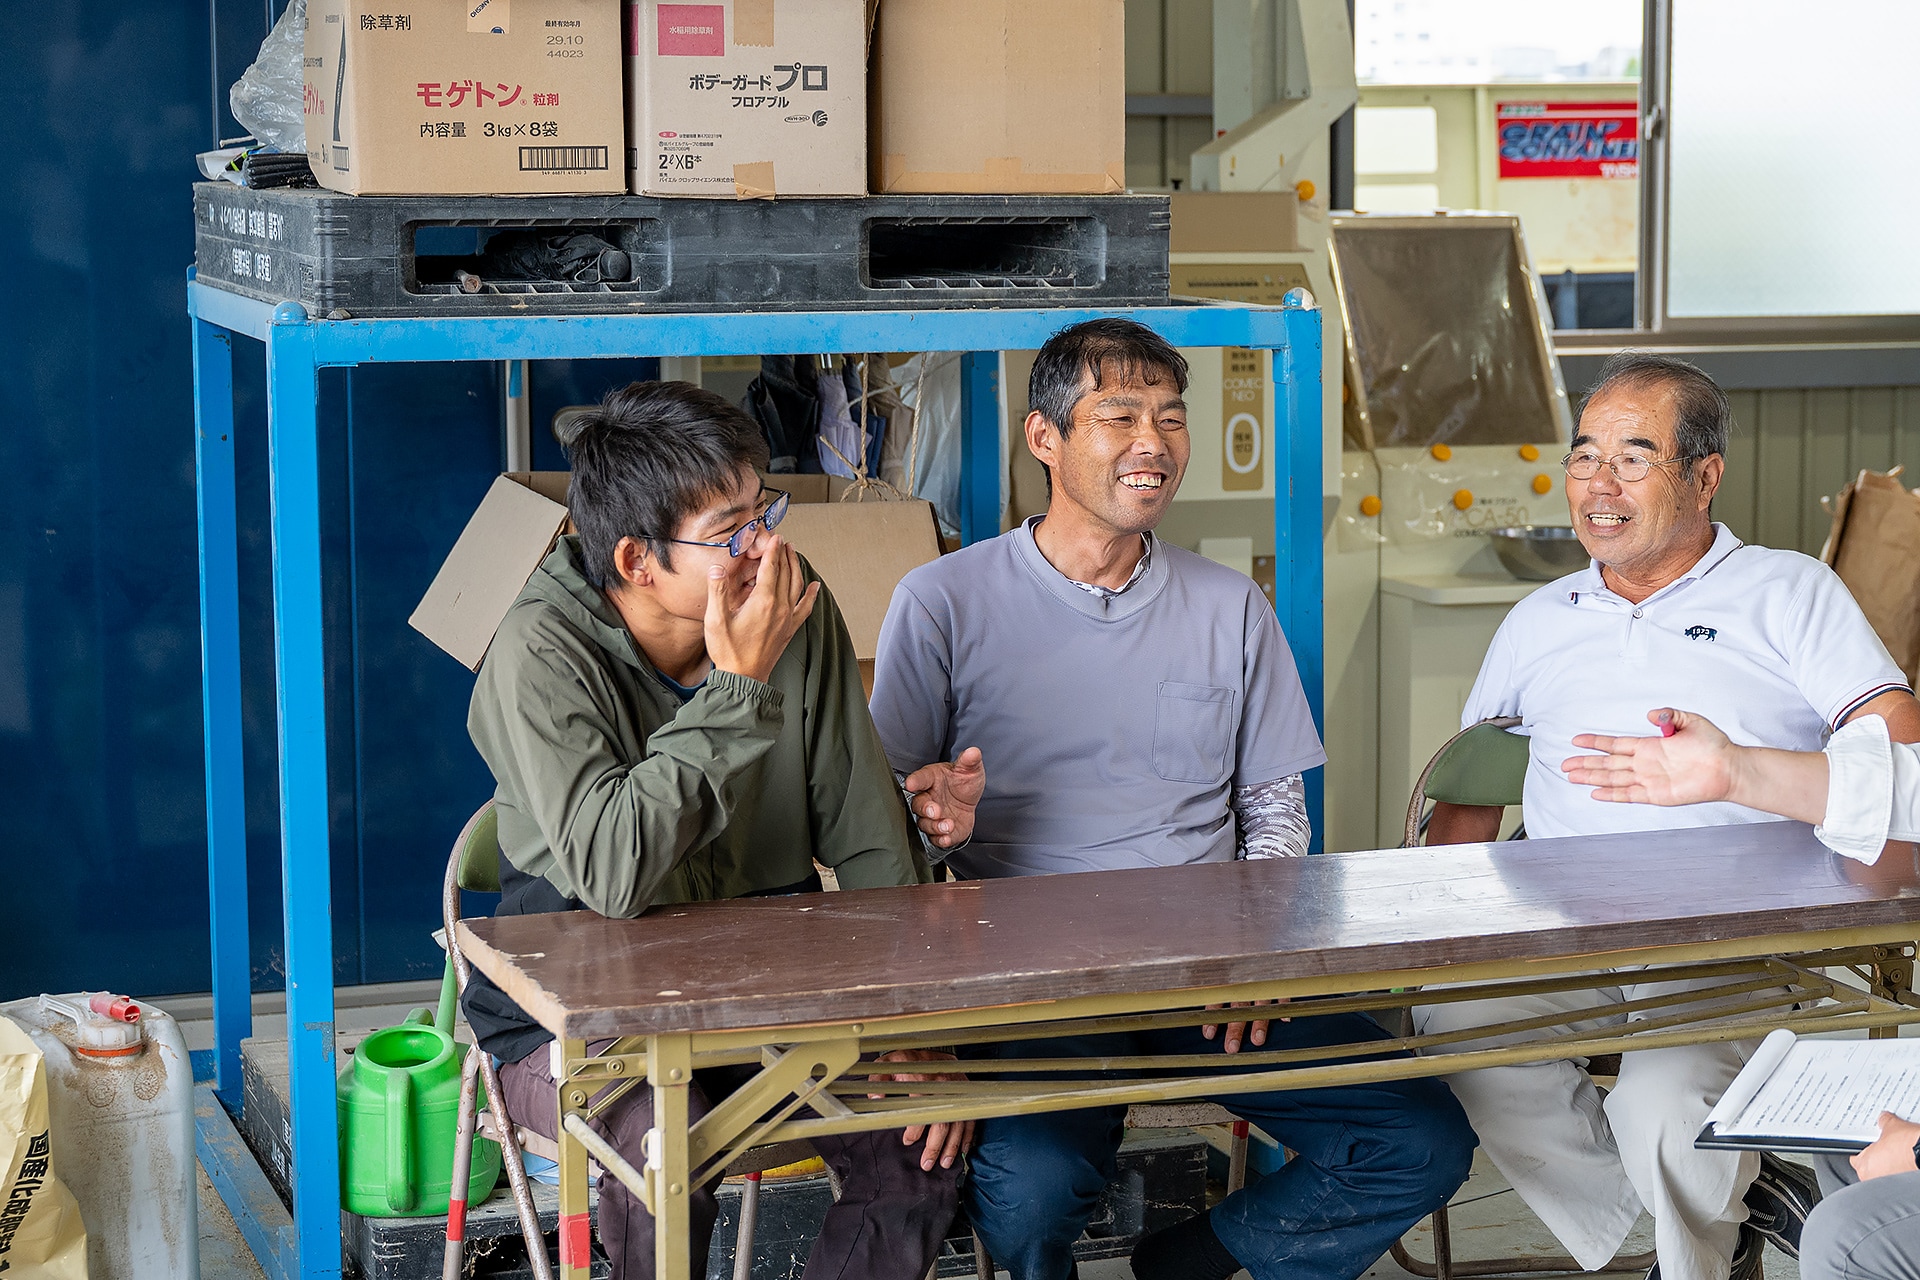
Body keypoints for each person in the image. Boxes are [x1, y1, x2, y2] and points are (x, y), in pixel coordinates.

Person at [869, 318, 1476, 1280]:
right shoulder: (942, 601)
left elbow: (1277, 812)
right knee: (1031, 1188)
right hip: (1029, 989)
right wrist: (940, 824)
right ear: (1044, 439)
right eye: (1118, 417)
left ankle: (1185, 1265)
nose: (1154, 443)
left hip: (1212, 973)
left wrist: (1258, 948)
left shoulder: (1230, 605)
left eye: (1170, 418)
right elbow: (882, 839)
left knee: (1421, 1138)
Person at [458, 380, 983, 1280]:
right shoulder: (537, 652)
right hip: (584, 1023)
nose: (765, 547)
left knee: (918, 1149)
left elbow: (866, 838)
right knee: (661, 1152)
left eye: (764, 510)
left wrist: (913, 1022)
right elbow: (613, 869)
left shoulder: (789, 598)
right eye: (730, 531)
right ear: (634, 559)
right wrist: (738, 692)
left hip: (765, 1001)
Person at [1419, 351, 1920, 1280]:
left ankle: (1695, 1257)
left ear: (1703, 475)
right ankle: (1675, 1222)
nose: (1598, 486)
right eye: (1583, 457)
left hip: (1739, 942)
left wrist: (1738, 773)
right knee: (1455, 1026)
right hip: (1566, 931)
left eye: (1633, 458)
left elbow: (1901, 755)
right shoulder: (1538, 618)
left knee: (1663, 1107)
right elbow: (1469, 797)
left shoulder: (1788, 593)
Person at [1561, 706, 1920, 1280]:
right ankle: (1727, 1195)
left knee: (1844, 1233)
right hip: (1587, 931)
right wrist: (1732, 772)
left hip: (1717, 936)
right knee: (1845, 1125)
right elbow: (1898, 791)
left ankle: (1723, 1212)